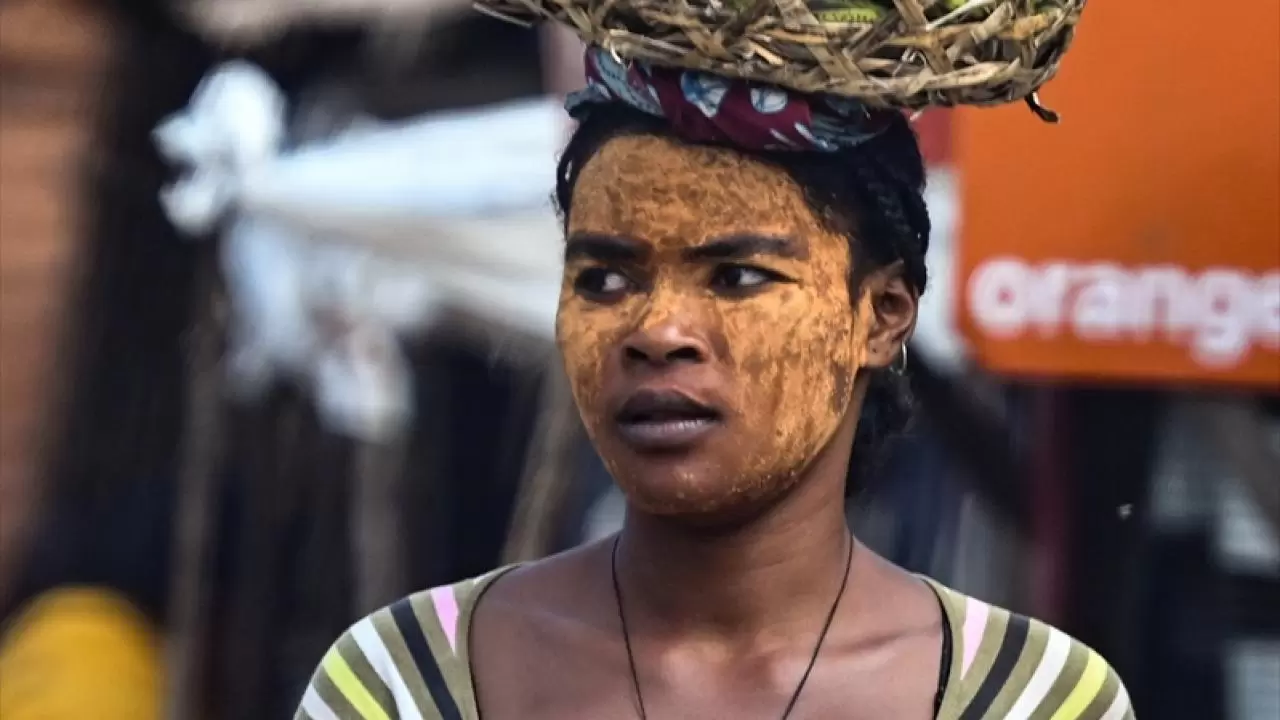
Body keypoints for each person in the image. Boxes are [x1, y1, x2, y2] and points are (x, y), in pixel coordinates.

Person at [294, 46, 1135, 720]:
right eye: (605, 280)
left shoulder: (1034, 699)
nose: (657, 332)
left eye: (737, 277)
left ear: (878, 315)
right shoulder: (403, 684)